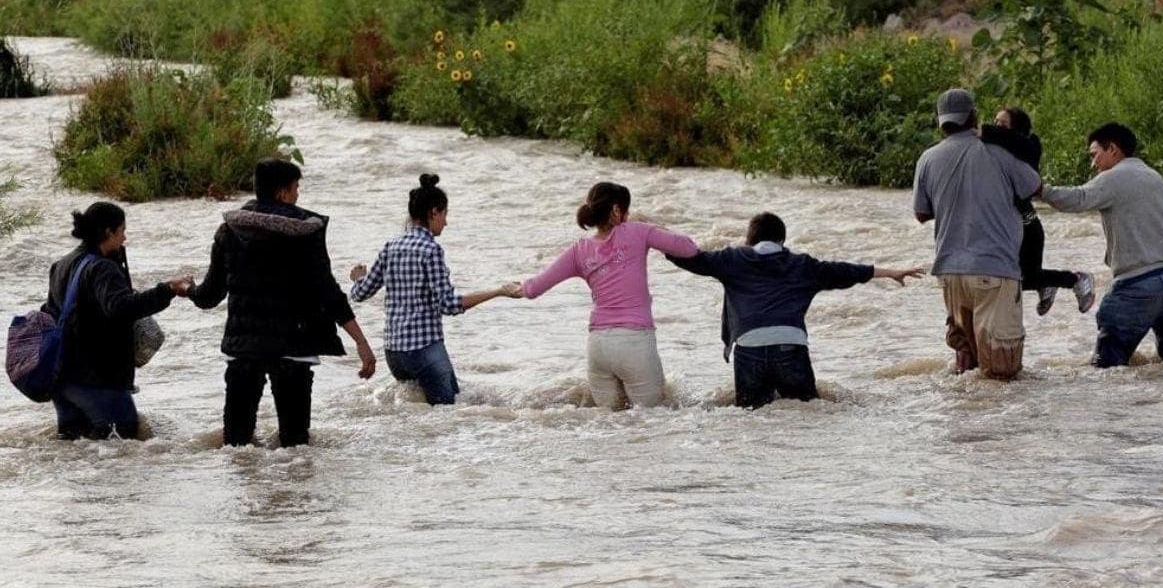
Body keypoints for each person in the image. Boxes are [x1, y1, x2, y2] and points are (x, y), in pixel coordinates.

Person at [188, 158, 377, 447]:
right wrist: (361, 343)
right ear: (282, 194)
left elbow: (210, 295)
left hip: (244, 349)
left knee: (236, 446)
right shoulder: (306, 233)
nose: (298, 194)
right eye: (296, 188)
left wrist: (186, 289)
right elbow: (329, 294)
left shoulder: (229, 232)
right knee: (296, 446)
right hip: (294, 348)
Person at [666, 212, 923, 409]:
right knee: (807, 410)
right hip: (791, 345)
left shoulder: (732, 259)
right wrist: (889, 272)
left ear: (749, 240)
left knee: (750, 418)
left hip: (749, 346)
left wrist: (655, 240)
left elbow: (693, 259)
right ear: (782, 240)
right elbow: (845, 271)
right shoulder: (803, 265)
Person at [514, 181, 699, 409]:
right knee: (653, 424)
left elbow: (533, 289)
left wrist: (508, 289)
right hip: (635, 342)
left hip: (598, 346)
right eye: (627, 210)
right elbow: (689, 248)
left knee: (608, 427)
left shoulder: (578, 250)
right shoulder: (638, 231)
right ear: (616, 210)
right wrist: (654, 226)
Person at [348, 173, 518, 405]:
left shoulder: (391, 247)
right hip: (424, 349)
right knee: (449, 413)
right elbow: (449, 305)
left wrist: (359, 278)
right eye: (445, 215)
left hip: (394, 354)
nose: (446, 223)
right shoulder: (431, 250)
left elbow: (359, 293)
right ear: (434, 212)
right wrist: (498, 291)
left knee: (417, 416)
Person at [1039, 122, 1163, 368]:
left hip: (1137, 286)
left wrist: (1039, 190)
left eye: (1094, 154)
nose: (1093, 164)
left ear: (1113, 149)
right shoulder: (1154, 176)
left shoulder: (1113, 178)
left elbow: (1076, 199)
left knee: (1105, 368)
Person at [913, 89, 1041, 379]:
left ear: (941, 122)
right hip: (995, 271)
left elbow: (921, 213)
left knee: (966, 367)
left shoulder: (927, 159)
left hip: (949, 274)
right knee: (1001, 375)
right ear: (974, 116)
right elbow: (1033, 187)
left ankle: (966, 425)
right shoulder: (999, 152)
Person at [46, 202, 192, 440]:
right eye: (122, 230)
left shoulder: (61, 265)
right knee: (123, 448)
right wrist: (168, 289)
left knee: (77, 455)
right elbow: (121, 307)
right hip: (98, 381)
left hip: (63, 380)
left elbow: (50, 312)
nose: (125, 237)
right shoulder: (103, 269)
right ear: (108, 232)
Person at [981, 107, 1095, 315]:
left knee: (1019, 278)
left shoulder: (1027, 146)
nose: (996, 128)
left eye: (1002, 124)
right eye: (994, 122)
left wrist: (978, 130)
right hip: (1017, 224)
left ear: (1017, 129)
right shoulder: (999, 149)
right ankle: (1047, 284)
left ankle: (1077, 279)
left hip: (1027, 227)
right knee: (1009, 278)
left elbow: (1011, 139)